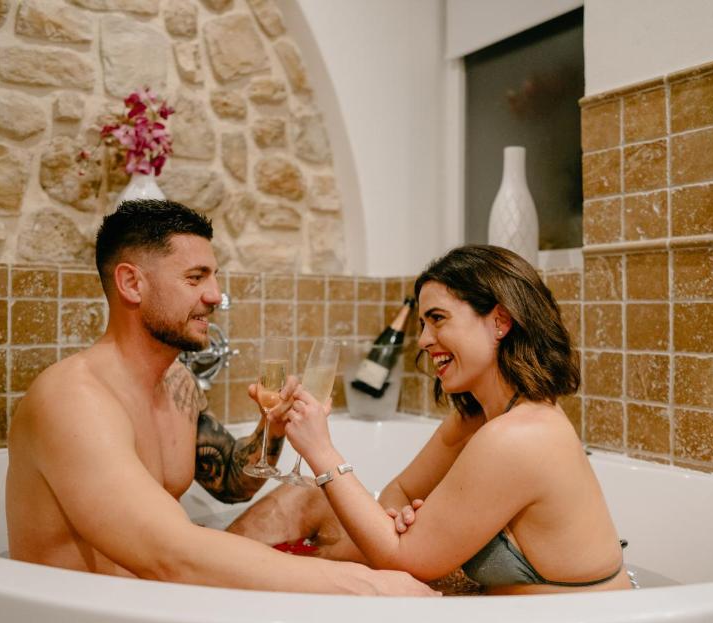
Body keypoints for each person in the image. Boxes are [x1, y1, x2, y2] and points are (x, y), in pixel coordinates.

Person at [6, 199, 435, 596]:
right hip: (101, 618)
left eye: (213, 276)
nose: (214, 295)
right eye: (195, 278)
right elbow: (167, 554)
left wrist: (272, 429)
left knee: (314, 497)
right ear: (132, 283)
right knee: (366, 583)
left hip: (164, 593)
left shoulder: (176, 382)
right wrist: (367, 586)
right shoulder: (74, 400)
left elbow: (231, 484)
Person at [230, 245, 631, 594]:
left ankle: (228, 578)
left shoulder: (519, 437)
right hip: (501, 619)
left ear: (500, 321)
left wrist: (320, 450)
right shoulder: (476, 418)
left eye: (438, 319)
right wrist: (400, 520)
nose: (422, 339)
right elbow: (400, 490)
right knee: (306, 501)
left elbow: (401, 557)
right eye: (423, 323)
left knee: (329, 564)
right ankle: (219, 573)